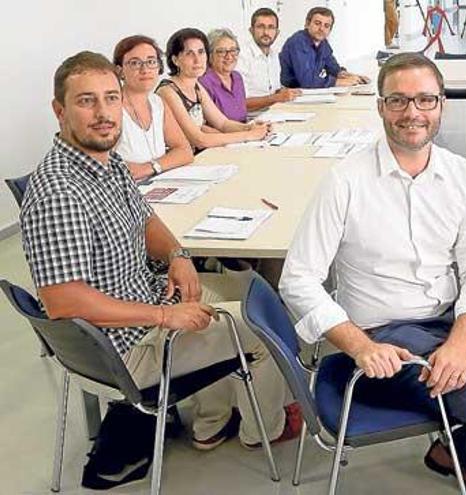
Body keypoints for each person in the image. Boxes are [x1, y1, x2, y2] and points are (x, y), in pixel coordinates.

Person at [278, 52, 466, 495]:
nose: (413, 114)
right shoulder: (344, 182)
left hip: (450, 318)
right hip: (385, 334)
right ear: (381, 106)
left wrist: (462, 342)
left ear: (443, 104)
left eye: (426, 100)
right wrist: (361, 346)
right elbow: (299, 279)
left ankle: (458, 449)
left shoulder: (461, 175)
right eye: (399, 101)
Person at [19, 52, 295, 457]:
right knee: (265, 326)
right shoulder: (60, 192)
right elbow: (63, 302)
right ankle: (263, 430)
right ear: (59, 110)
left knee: (250, 291)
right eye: (86, 101)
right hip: (123, 346)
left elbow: (147, 221)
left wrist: (179, 257)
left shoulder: (105, 162)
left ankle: (210, 423)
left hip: (145, 300)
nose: (103, 112)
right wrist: (165, 316)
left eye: (111, 98)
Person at [156, 28, 270, 150]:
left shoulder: (196, 86)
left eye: (201, 52)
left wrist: (251, 127)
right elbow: (200, 140)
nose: (197, 59)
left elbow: (223, 123)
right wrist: (249, 135)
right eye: (190, 53)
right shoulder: (168, 91)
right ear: (175, 60)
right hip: (182, 161)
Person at [113, 35, 193, 181]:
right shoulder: (111, 108)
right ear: (120, 71)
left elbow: (184, 151)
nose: (145, 69)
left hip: (160, 184)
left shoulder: (157, 102)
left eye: (151, 62)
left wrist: (151, 167)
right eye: (135, 63)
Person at [279, 7, 370, 88]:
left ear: (330, 30)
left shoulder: (323, 43)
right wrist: (339, 82)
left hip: (305, 92)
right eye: (317, 23)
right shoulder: (298, 42)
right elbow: (307, 81)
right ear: (307, 24)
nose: (322, 29)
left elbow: (334, 69)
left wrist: (353, 77)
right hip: (290, 93)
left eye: (326, 26)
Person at [237, 7, 302, 113]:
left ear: (277, 32)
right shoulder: (241, 57)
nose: (266, 32)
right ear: (251, 30)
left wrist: (286, 92)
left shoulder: (274, 55)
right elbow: (238, 103)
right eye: (260, 27)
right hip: (251, 119)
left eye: (271, 27)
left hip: (274, 113)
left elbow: (273, 90)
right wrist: (276, 98)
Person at [199, 29, 248, 123]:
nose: (229, 57)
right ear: (209, 55)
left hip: (244, 132)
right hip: (222, 136)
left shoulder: (237, 77)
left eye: (233, 50)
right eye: (221, 51)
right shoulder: (204, 82)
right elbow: (204, 126)